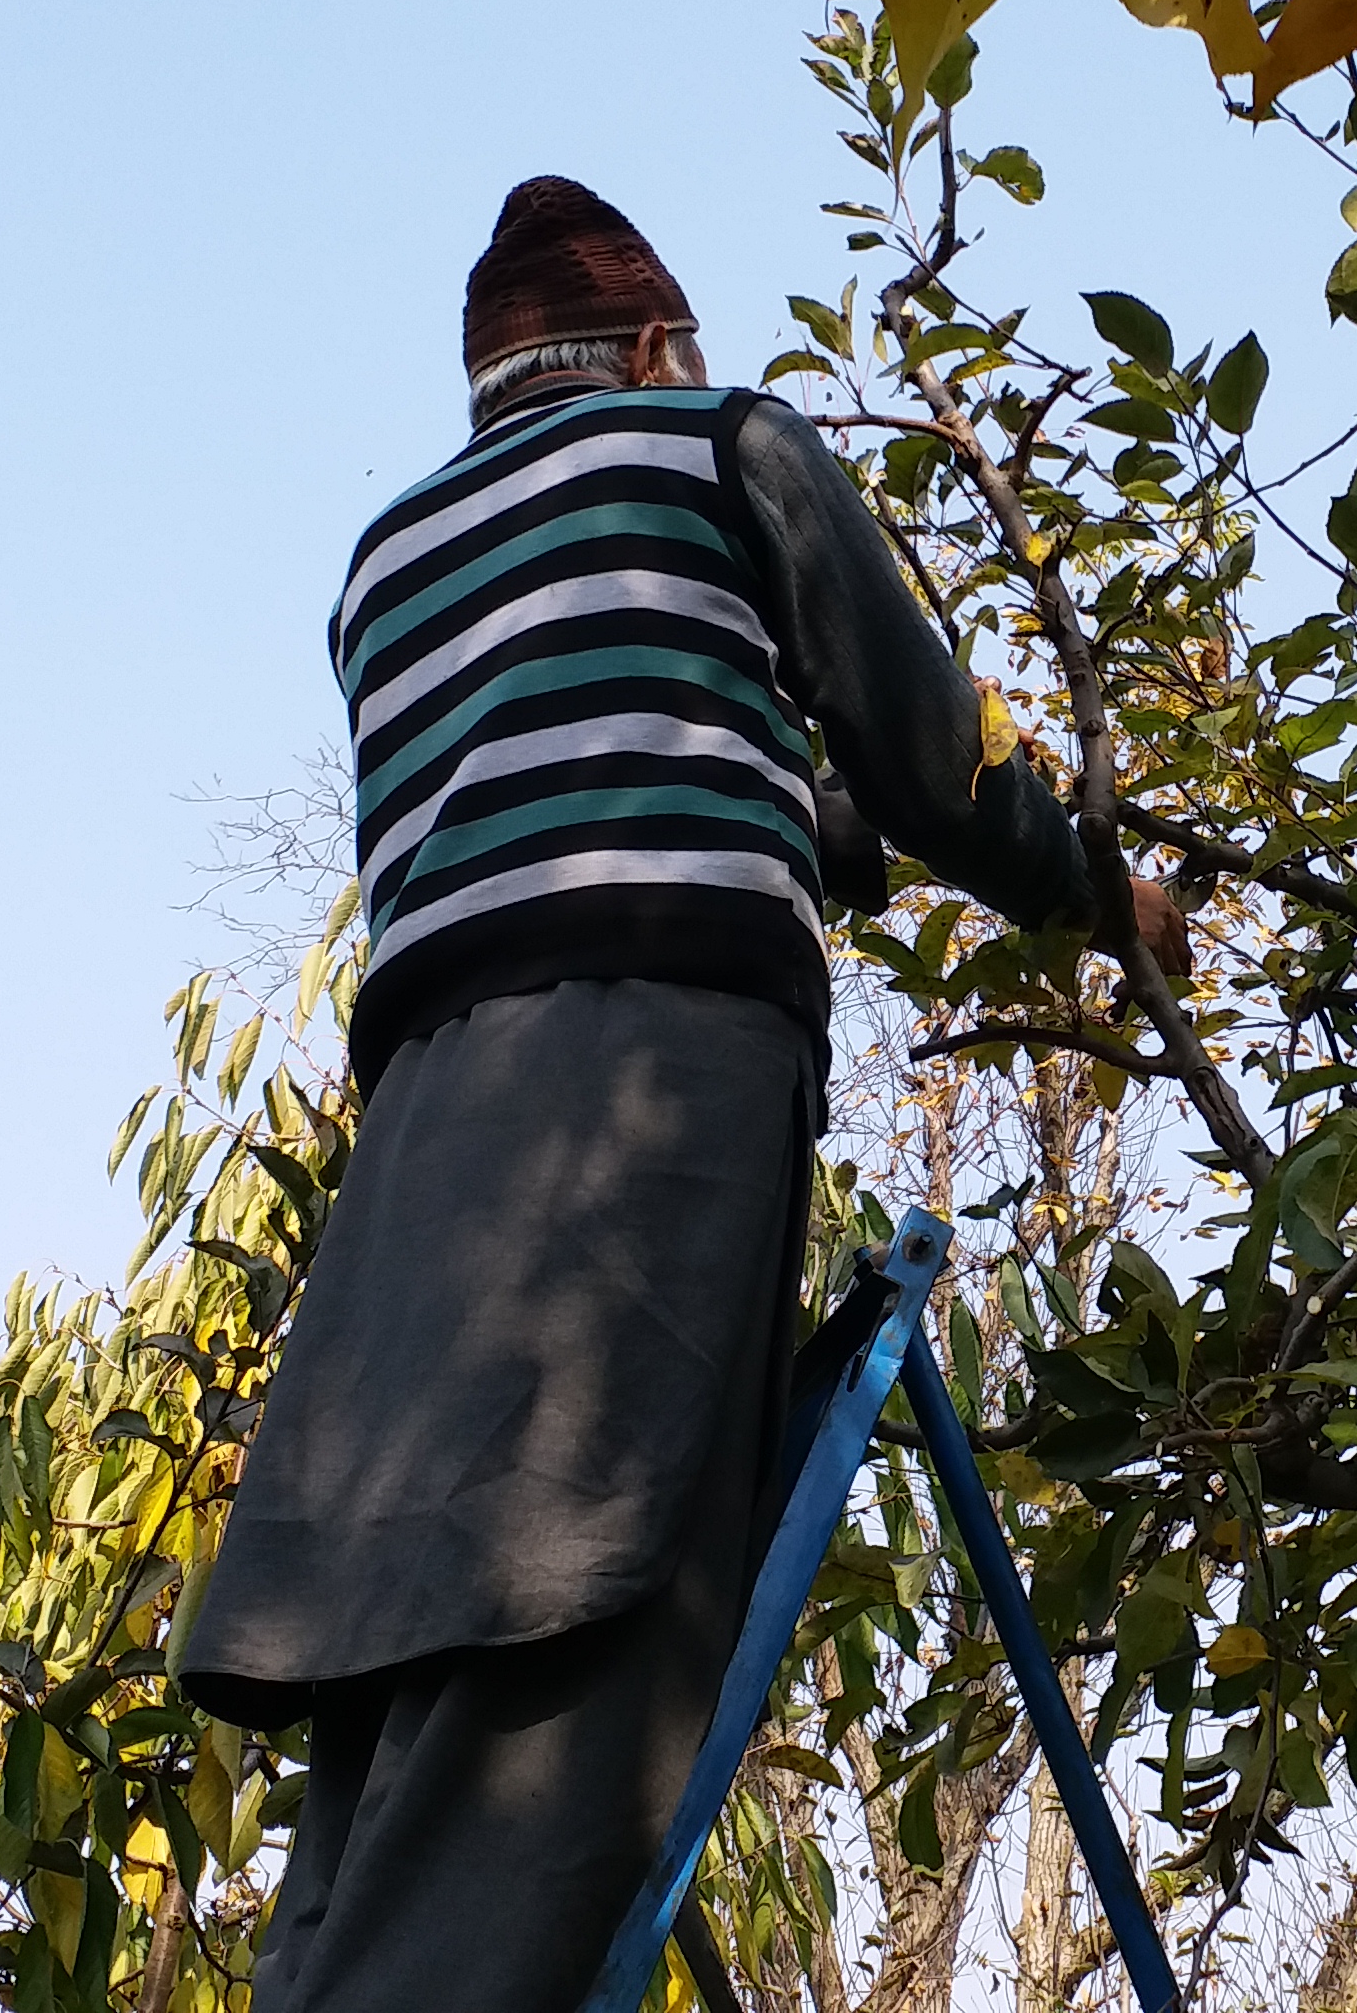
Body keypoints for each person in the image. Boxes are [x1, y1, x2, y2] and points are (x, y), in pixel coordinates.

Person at [173, 176, 1184, 2013]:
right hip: (645, 1085)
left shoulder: (386, 568)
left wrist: (835, 846)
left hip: (422, 1141)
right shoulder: (720, 440)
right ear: (650, 347)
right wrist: (1101, 891)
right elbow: (927, 745)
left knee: (404, 1654)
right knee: (588, 1591)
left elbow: (633, 787)